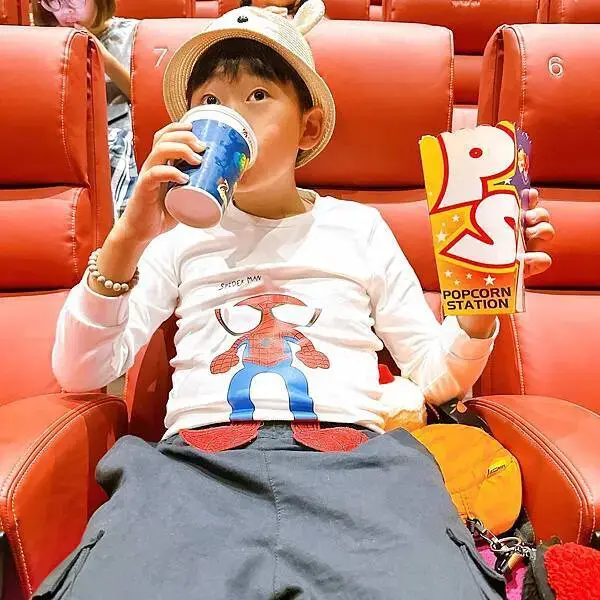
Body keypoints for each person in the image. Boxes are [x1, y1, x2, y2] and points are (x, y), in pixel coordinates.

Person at [36, 2, 555, 598]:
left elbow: (435, 375)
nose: (230, 115)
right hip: (197, 467)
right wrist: (128, 236)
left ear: (308, 128)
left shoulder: (358, 228)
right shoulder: (174, 237)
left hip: (355, 465)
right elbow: (81, 370)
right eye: (209, 102)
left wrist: (481, 304)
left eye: (257, 96)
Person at [32, 0, 138, 217]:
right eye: (54, 2)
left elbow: (147, 99)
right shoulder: (41, 41)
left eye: (76, 0)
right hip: (60, 142)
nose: (67, 11)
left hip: (116, 137)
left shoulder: (133, 34)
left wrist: (102, 57)